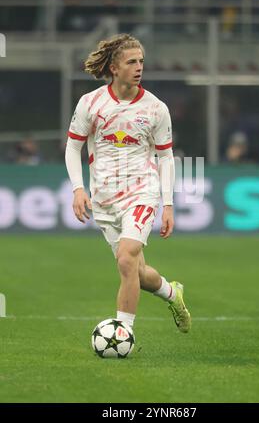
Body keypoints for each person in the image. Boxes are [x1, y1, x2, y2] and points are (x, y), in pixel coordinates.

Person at [65, 33, 191, 334]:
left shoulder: (156, 108)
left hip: (141, 193)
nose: (139, 67)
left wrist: (168, 205)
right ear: (114, 68)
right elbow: (73, 147)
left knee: (126, 257)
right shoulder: (91, 103)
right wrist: (78, 188)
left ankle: (122, 333)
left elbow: (166, 157)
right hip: (104, 198)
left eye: (141, 61)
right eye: (131, 61)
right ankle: (172, 293)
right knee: (135, 270)